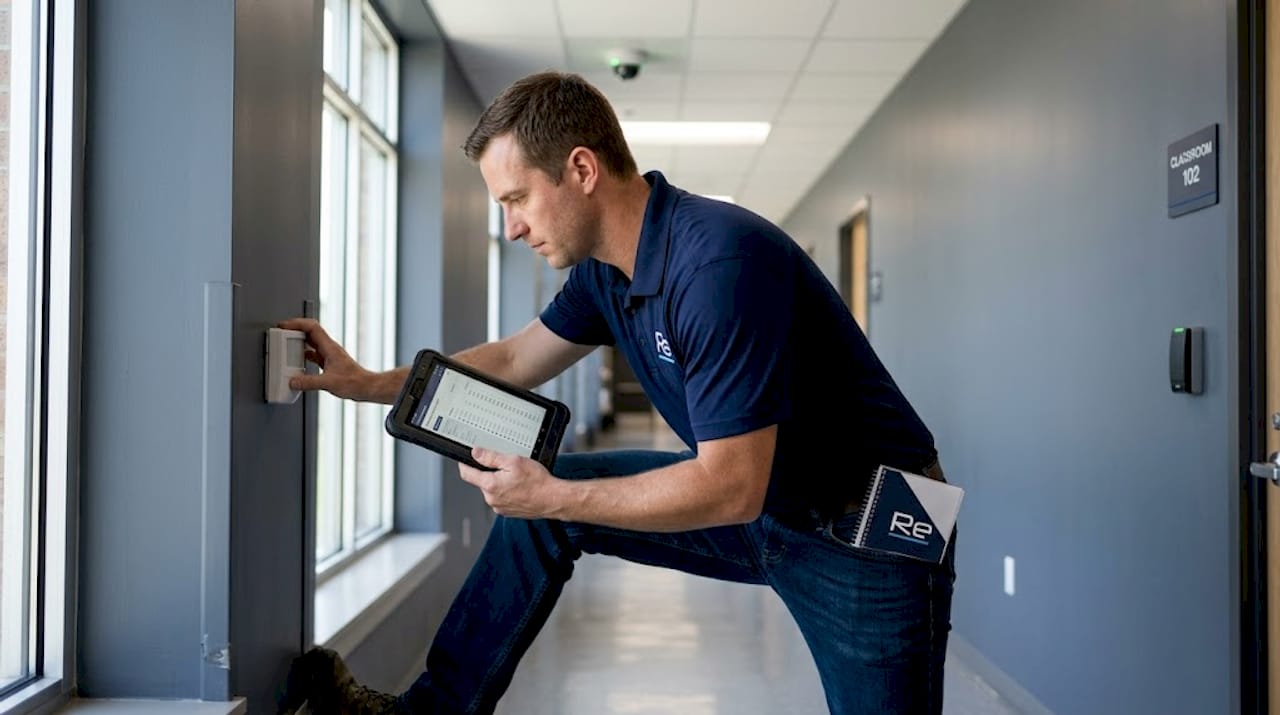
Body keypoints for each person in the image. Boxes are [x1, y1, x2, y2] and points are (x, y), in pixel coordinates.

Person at [278, 70, 954, 715]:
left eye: (516, 199)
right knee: (540, 514)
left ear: (580, 169)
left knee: (553, 497)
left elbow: (729, 487)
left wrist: (555, 494)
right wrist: (367, 384)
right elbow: (514, 357)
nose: (511, 227)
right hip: (772, 504)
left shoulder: (720, 265)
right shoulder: (606, 273)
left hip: (875, 527)